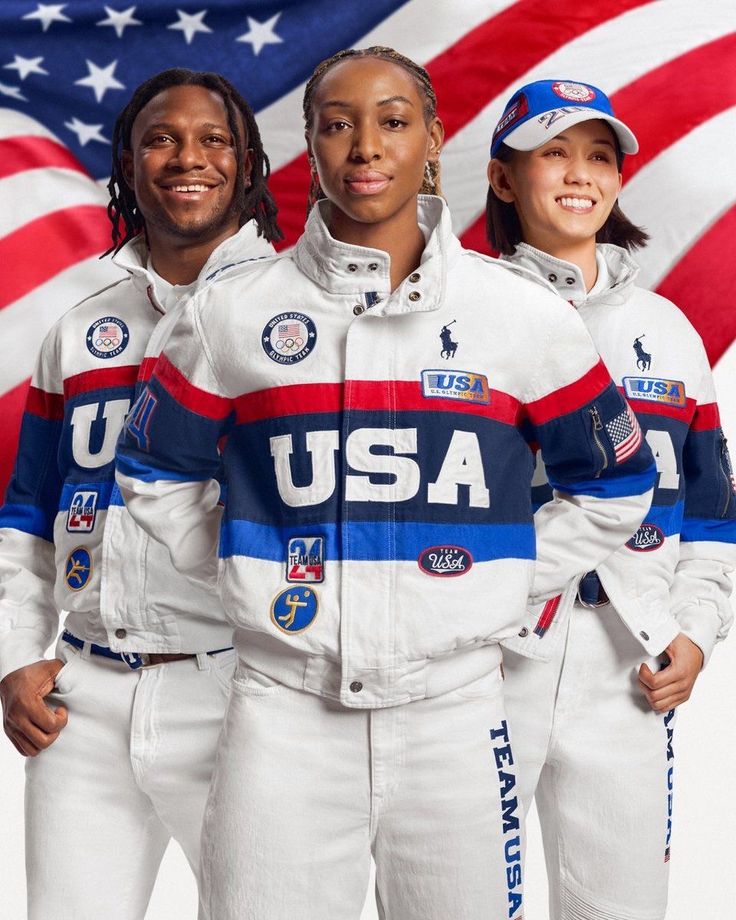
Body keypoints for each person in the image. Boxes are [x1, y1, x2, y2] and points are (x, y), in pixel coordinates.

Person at [116, 49, 654, 920]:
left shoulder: (524, 317)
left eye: (394, 121)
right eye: (337, 124)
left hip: (460, 713)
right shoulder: (230, 311)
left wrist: (508, 574)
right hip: (279, 719)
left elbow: (617, 481)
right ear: (312, 143)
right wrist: (237, 560)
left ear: (434, 140)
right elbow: (150, 467)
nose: (365, 146)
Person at [0, 67, 280, 920]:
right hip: (85, 695)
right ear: (126, 161)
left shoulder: (299, 317)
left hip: (241, 686)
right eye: (161, 138)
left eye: (212, 140)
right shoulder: (83, 328)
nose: (185, 158)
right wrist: (15, 656)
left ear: (247, 163)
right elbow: (26, 513)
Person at [486, 78, 736, 920]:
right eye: (553, 151)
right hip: (485, 656)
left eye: (599, 155)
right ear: (502, 178)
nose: (579, 173)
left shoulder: (668, 331)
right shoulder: (460, 314)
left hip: (629, 664)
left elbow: (710, 512)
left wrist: (694, 632)